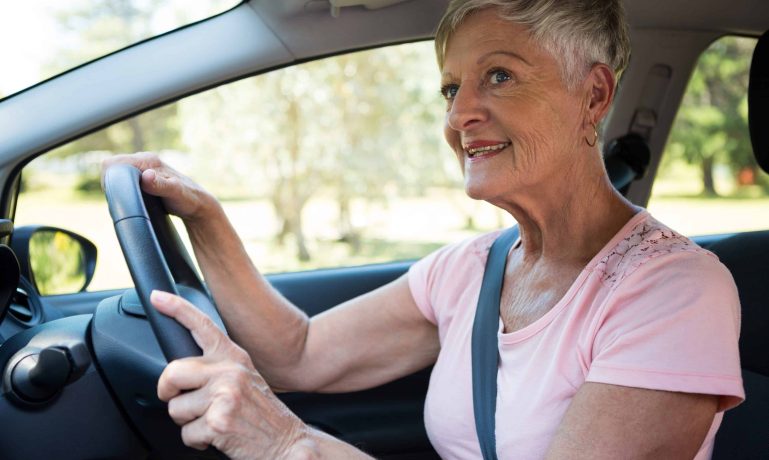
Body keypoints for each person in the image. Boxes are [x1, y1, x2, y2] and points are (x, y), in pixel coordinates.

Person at [103, 0, 745, 458]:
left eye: (500, 76)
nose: (461, 113)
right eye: (450, 89)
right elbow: (298, 353)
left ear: (595, 94)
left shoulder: (674, 293)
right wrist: (205, 217)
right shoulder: (470, 268)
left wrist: (288, 443)